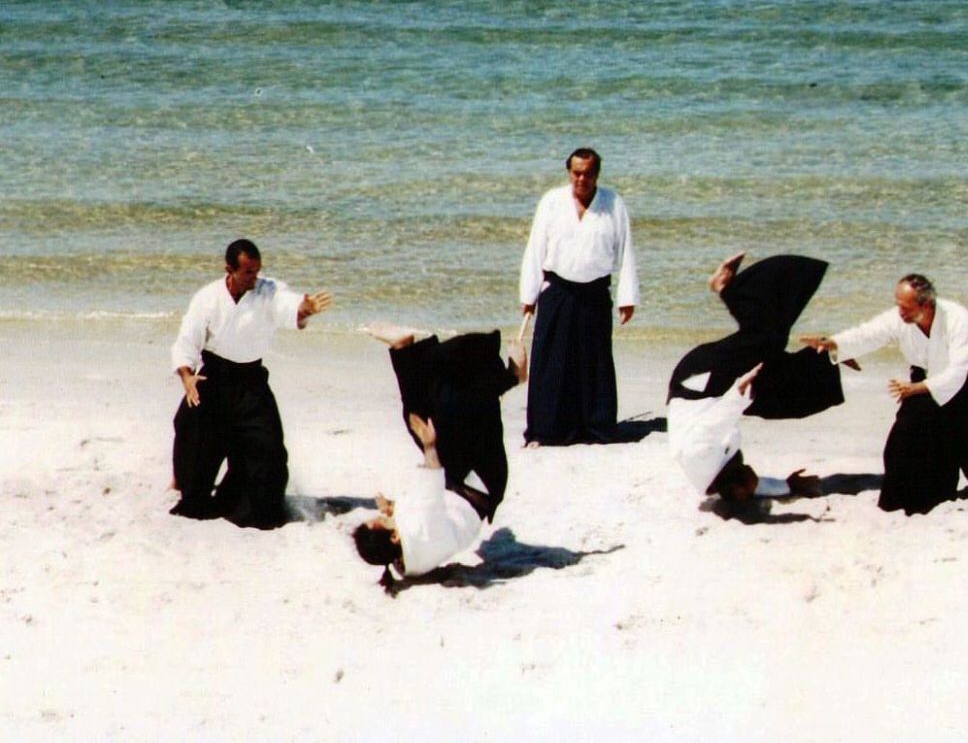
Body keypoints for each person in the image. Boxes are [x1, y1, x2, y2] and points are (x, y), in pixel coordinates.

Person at [801, 274, 968, 515]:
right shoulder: (899, 318)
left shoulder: (957, 317)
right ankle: (921, 500)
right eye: (898, 305)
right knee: (906, 438)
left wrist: (918, 388)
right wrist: (833, 344)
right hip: (924, 379)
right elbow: (868, 334)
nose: (900, 312)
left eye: (905, 307)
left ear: (926, 304)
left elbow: (959, 369)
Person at [170, 239, 333, 529]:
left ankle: (243, 502)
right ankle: (188, 486)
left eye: (257, 271)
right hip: (214, 377)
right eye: (247, 272)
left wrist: (304, 309)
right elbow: (187, 340)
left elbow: (287, 304)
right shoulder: (207, 298)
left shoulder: (267, 290)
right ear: (229, 270)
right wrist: (187, 376)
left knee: (268, 450)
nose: (254, 277)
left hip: (251, 382)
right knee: (192, 435)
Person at [354, 324, 528, 581]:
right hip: (480, 479)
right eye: (381, 520)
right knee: (449, 406)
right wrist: (429, 445)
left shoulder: (406, 559)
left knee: (415, 416)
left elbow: (424, 519)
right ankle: (512, 377)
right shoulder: (420, 531)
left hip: (457, 481)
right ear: (394, 536)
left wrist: (393, 508)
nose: (380, 515)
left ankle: (402, 348)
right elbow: (431, 482)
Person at [667, 252, 845, 502]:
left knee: (766, 337)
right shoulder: (720, 481)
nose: (756, 484)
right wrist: (788, 486)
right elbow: (757, 486)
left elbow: (713, 424)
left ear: (737, 487)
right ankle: (830, 353)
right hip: (718, 392)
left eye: (749, 488)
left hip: (699, 379)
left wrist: (738, 393)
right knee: (792, 399)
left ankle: (725, 288)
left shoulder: (698, 458)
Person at [519, 147, 639, 445]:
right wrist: (529, 294)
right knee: (551, 361)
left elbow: (626, 251)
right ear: (568, 172)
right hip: (557, 291)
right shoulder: (552, 202)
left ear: (597, 174)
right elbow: (535, 248)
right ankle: (546, 430)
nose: (581, 179)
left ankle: (596, 428)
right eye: (576, 173)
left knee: (594, 363)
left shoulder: (613, 204)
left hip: (595, 292)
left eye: (588, 173)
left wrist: (627, 297)